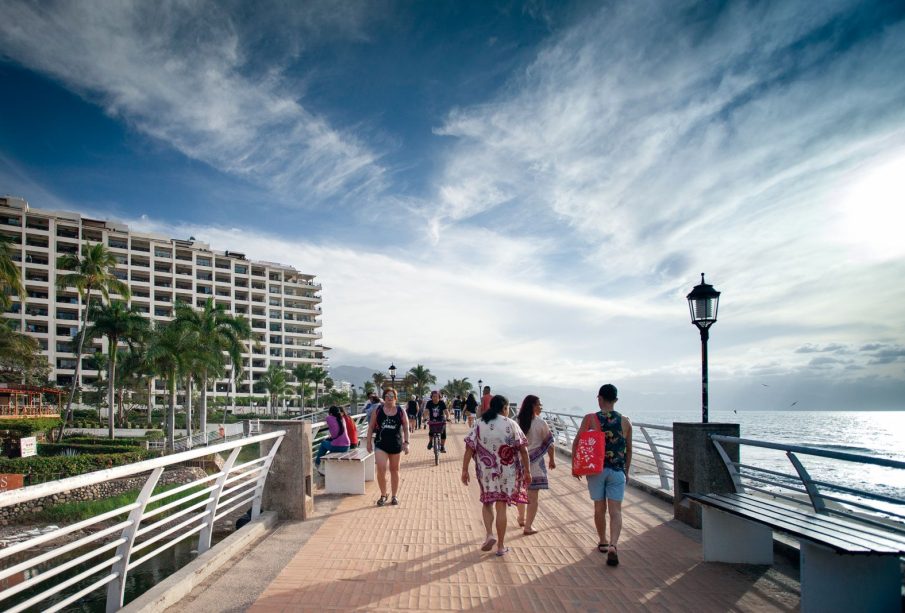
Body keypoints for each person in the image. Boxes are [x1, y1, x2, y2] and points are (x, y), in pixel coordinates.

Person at [462, 395, 530, 557]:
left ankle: (489, 535)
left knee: (487, 503)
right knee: (501, 507)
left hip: (486, 470)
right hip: (508, 471)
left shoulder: (479, 423)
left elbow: (469, 448)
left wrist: (464, 469)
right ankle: (500, 546)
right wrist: (527, 471)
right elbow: (523, 449)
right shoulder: (511, 423)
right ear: (505, 408)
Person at [572, 383, 632, 567]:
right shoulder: (625, 421)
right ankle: (614, 544)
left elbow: (577, 443)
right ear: (616, 400)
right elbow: (629, 450)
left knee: (599, 508)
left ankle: (603, 541)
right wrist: (626, 472)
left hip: (596, 470)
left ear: (599, 398)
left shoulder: (590, 419)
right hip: (617, 471)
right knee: (616, 511)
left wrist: (575, 466)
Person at [515, 395, 556, 535]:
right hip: (536, 465)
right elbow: (550, 444)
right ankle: (528, 526)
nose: (541, 406)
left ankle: (521, 518)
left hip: (519, 464)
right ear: (532, 406)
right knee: (533, 497)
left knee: (521, 491)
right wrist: (552, 459)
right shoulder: (540, 423)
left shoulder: (516, 422)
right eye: (539, 404)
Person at [367, 388, 410, 506]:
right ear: (384, 398)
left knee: (394, 470)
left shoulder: (401, 411)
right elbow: (371, 426)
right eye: (387, 396)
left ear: (395, 398)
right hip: (381, 443)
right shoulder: (378, 410)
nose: (389, 398)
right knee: (381, 469)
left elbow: (406, 427)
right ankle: (383, 494)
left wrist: (406, 443)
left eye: (392, 396)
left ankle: (394, 495)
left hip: (396, 444)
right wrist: (368, 442)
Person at [314, 405, 351, 473]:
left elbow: (328, 419)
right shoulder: (342, 418)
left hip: (339, 446)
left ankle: (317, 463)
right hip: (347, 445)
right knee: (329, 445)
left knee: (323, 443)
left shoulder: (329, 418)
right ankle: (323, 467)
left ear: (330, 413)